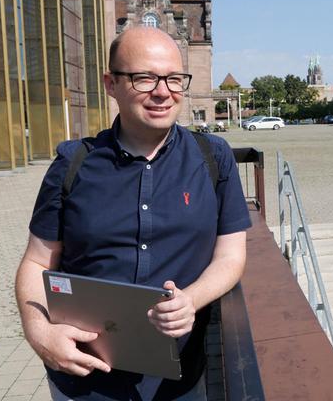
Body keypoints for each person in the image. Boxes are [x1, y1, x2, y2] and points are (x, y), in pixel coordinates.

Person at [15, 27, 251, 400]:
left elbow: (231, 255)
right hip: (84, 378)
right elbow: (36, 262)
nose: (163, 91)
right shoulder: (72, 164)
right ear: (111, 84)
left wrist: (192, 298)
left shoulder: (213, 158)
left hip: (180, 381)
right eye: (144, 78)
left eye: (174, 79)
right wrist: (39, 332)